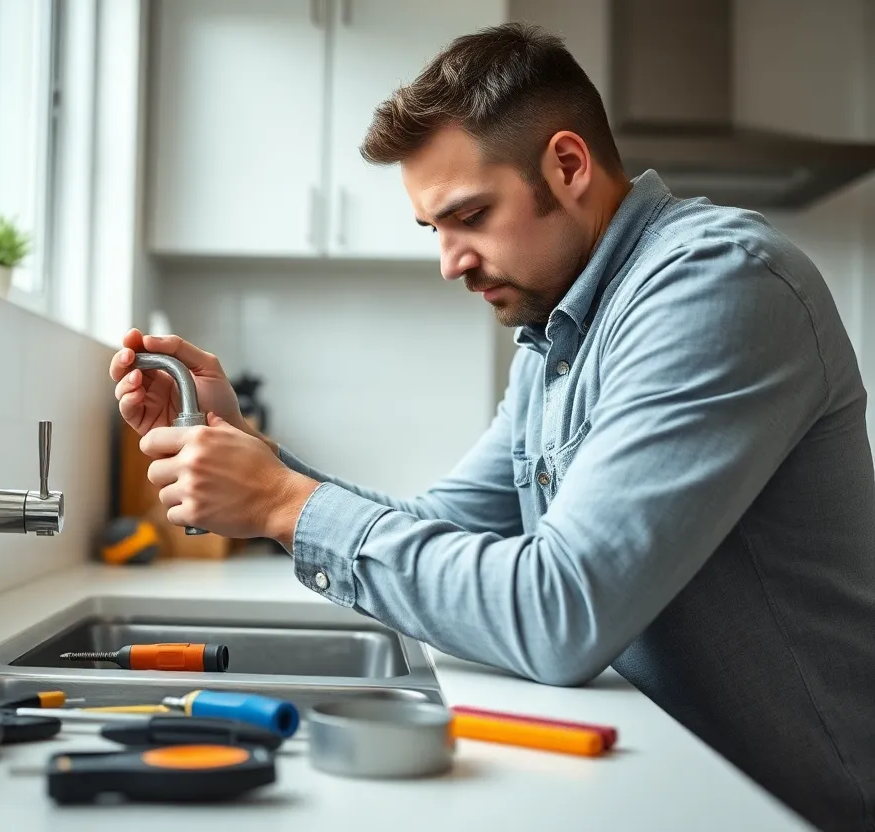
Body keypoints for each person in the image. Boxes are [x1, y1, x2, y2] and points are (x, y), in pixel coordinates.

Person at [109, 22, 875, 831]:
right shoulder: (555, 337)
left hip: (809, 807)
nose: (449, 261)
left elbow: (559, 614)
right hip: (678, 783)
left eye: (468, 215)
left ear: (568, 166)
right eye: (432, 229)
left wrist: (280, 503)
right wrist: (257, 460)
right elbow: (441, 526)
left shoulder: (716, 285)